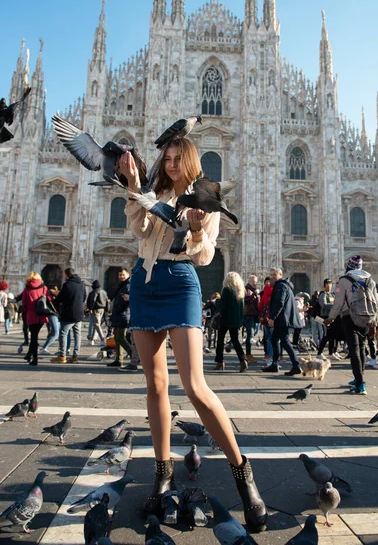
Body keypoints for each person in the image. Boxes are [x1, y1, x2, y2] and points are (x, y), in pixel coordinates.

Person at [120, 139, 267, 533]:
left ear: (189, 161)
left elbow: (203, 257)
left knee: (195, 387)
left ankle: (243, 474)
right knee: (154, 386)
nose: (168, 165)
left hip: (182, 282)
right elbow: (139, 228)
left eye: (174, 159)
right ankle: (163, 474)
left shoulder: (207, 195)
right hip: (145, 279)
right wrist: (136, 187)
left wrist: (199, 228)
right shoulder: (156, 189)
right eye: (163, 159)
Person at [325, 255, 378, 395]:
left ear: (349, 266)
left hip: (350, 317)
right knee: (361, 347)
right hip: (366, 317)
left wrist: (330, 318)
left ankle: (360, 384)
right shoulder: (370, 279)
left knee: (354, 350)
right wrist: (374, 321)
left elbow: (338, 303)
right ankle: (358, 378)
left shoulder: (344, 280)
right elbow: (375, 302)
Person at [263, 267, 302, 376]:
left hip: (283, 319)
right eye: (271, 275)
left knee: (284, 341)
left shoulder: (281, 286)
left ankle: (296, 365)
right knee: (274, 339)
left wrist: (272, 318)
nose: (272, 277)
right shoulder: (282, 285)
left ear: (280, 275)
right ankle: (274, 364)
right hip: (283, 318)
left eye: (274, 274)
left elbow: (279, 303)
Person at [51, 268, 86, 364]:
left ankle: (62, 356)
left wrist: (58, 304)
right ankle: (75, 356)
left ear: (67, 275)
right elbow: (84, 297)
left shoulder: (67, 285)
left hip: (69, 313)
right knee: (77, 334)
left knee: (63, 333)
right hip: (79, 313)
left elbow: (60, 298)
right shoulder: (82, 284)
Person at [215, 272, 248, 372]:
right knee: (235, 340)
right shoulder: (240, 291)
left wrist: (217, 300)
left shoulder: (226, 290)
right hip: (236, 320)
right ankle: (243, 360)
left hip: (226, 319)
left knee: (220, 340)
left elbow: (222, 305)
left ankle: (220, 362)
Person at [21, 272, 52, 366]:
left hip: (31, 316)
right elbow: (49, 299)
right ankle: (29, 354)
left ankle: (35, 358)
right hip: (41, 315)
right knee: (35, 336)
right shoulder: (44, 287)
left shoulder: (27, 289)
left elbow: (24, 303)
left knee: (34, 338)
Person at [107, 268, 134, 369]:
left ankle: (134, 355)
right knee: (117, 339)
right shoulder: (122, 286)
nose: (121, 276)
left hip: (123, 315)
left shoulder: (127, 286)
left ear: (128, 274)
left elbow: (125, 302)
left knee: (120, 338)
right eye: (119, 275)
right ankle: (119, 359)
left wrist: (117, 311)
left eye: (123, 274)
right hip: (119, 315)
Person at [243, 275, 259, 362]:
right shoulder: (248, 290)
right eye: (255, 281)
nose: (256, 283)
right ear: (251, 281)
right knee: (250, 335)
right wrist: (255, 295)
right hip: (249, 314)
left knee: (252, 334)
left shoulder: (251, 290)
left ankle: (248, 354)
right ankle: (248, 354)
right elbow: (246, 300)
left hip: (252, 314)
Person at [86, 280, 108, 346]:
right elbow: (107, 301)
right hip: (102, 309)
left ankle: (102, 339)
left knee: (97, 324)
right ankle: (92, 339)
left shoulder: (95, 292)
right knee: (96, 324)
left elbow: (93, 300)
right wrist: (107, 310)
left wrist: (90, 308)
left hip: (96, 309)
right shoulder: (104, 292)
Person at [258, 277, 273, 362]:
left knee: (267, 337)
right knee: (273, 338)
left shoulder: (264, 293)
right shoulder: (275, 291)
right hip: (273, 318)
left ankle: (267, 355)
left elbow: (260, 306)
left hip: (265, 318)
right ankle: (274, 356)